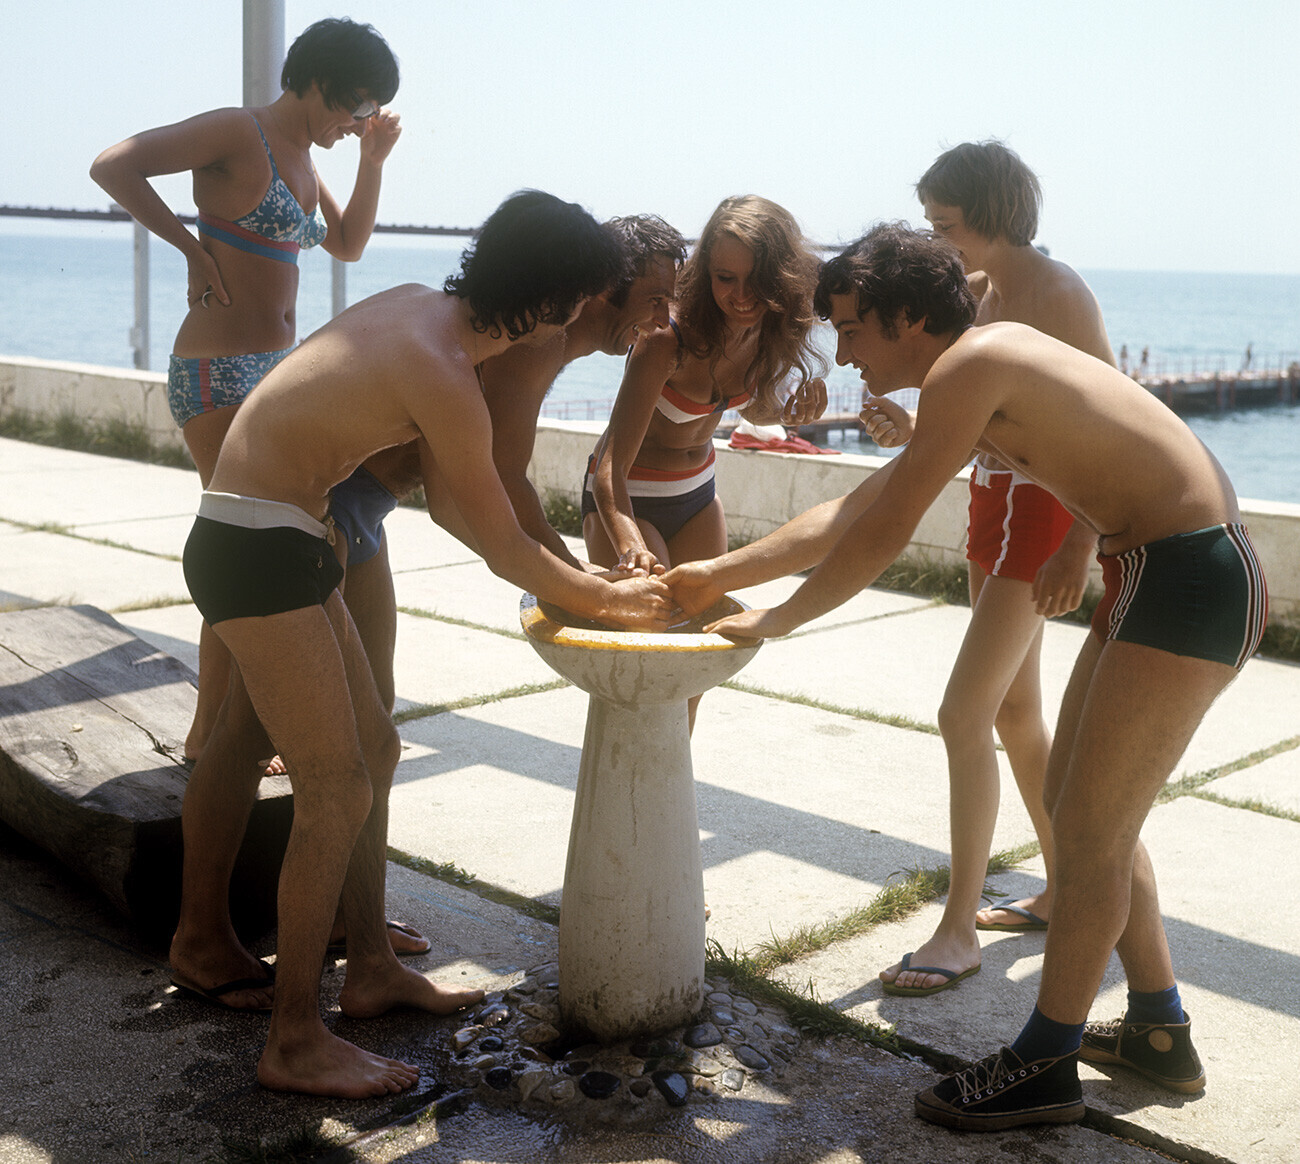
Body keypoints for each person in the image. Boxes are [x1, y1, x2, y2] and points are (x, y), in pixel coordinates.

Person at [665, 222, 1266, 1131]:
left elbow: (883, 528)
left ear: (908, 318)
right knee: (1081, 806)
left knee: (1094, 830)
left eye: (855, 329)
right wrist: (716, 575)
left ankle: (1046, 1061)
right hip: (1162, 570)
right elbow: (856, 502)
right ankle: (1156, 1030)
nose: (847, 351)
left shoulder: (970, 368)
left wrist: (776, 620)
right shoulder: (980, 365)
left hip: (1189, 577)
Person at [173, 190, 674, 1098]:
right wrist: (602, 597)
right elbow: (494, 535)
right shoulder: (440, 367)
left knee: (376, 746)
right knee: (337, 790)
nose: (581, 319)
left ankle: (369, 971)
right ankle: (294, 1038)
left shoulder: (421, 311)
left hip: (278, 534)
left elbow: (459, 509)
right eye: (584, 298)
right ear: (555, 298)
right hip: (255, 547)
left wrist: (583, 587)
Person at [89, 17, 403, 774]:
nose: (355, 123)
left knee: (263, 549)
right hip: (216, 374)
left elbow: (349, 243)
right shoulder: (239, 130)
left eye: (365, 116)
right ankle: (212, 736)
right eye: (355, 109)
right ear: (322, 81)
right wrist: (189, 245)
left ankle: (236, 728)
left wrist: (373, 158)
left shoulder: (302, 155)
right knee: (249, 549)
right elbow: (112, 166)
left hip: (274, 373)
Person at [861, 142, 1113, 998]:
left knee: (960, 714)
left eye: (948, 225)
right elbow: (968, 419)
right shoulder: (977, 294)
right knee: (1013, 714)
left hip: (1044, 516)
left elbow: (1109, 424)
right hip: (991, 502)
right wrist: (909, 428)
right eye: (931, 225)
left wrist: (1081, 545)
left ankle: (958, 926)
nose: (939, 243)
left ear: (997, 212)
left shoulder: (1058, 293)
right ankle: (1060, 886)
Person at [331, 214, 688, 715]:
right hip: (328, 504)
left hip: (363, 506)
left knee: (371, 712)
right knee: (328, 725)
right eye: (655, 298)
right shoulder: (540, 343)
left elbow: (491, 491)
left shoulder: (545, 342)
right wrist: (585, 586)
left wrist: (579, 578)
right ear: (608, 286)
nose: (661, 320)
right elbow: (488, 493)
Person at [582, 195, 828, 732]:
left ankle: (667, 797)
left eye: (756, 280)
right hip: (627, 500)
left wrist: (790, 410)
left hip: (696, 496)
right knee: (649, 649)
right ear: (705, 274)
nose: (740, 297)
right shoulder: (665, 339)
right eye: (724, 278)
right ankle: (623, 801)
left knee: (696, 663)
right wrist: (631, 547)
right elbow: (608, 471)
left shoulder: (770, 332)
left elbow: (756, 406)